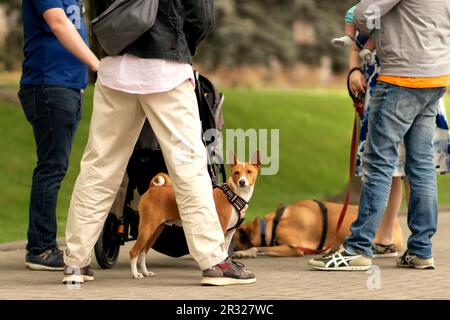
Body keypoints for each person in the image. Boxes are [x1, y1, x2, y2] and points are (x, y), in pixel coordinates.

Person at [62, 0, 256, 286]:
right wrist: (179, 46)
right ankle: (214, 262)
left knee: (98, 168)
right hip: (167, 68)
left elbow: (98, 11)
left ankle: (75, 262)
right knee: (189, 169)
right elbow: (201, 17)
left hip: (115, 68)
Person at [309, 0, 450, 271]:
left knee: (379, 164)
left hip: (401, 79)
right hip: (435, 79)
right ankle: (421, 249)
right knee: (420, 165)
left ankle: (358, 248)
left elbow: (364, 13)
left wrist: (366, 30)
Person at [349, 37, 450, 258]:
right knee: (406, 166)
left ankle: (362, 247)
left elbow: (364, 15)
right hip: (422, 80)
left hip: (397, 83)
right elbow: (357, 40)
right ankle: (407, 245)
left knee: (402, 165)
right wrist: (354, 70)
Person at [20, 0, 99, 271]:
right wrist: (97, 65)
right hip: (49, 85)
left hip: (67, 86)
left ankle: (40, 244)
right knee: (52, 167)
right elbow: (58, 22)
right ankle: (40, 248)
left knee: (54, 166)